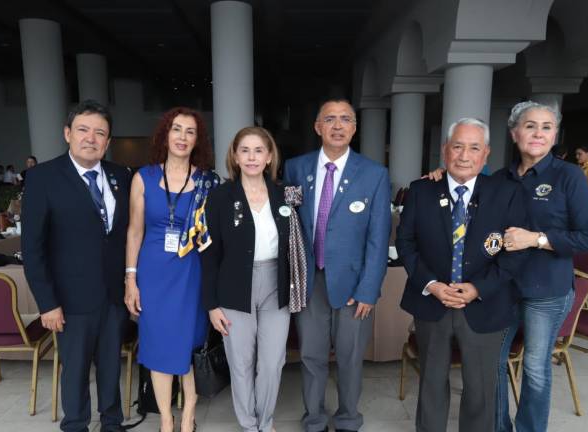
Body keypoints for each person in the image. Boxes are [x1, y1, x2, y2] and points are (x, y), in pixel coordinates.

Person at [396, 118, 528, 432]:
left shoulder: (507, 192)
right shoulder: (421, 190)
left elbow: (515, 252)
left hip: (485, 303)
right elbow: (405, 242)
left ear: (486, 155)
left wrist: (477, 288)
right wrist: (431, 284)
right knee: (431, 381)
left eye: (474, 148)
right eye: (457, 146)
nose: (464, 156)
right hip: (432, 303)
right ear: (445, 150)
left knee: (481, 388)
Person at [22, 100, 131, 432]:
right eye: (83, 130)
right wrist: (47, 303)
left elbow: (127, 235)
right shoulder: (43, 177)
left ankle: (112, 423)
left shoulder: (121, 176)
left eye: (100, 133)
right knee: (76, 370)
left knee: (112, 367)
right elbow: (33, 248)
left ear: (108, 141)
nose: (91, 138)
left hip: (113, 296)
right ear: (68, 133)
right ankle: (75, 425)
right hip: (69, 300)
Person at [283, 99, 391, 432]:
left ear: (355, 128)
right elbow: (289, 223)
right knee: (311, 357)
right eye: (329, 119)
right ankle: (314, 419)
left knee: (349, 358)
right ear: (318, 127)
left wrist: (369, 290)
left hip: (354, 284)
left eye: (346, 119)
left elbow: (378, 238)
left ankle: (347, 418)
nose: (338, 125)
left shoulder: (375, 174)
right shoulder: (295, 168)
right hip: (308, 280)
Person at [496, 101, 588, 432]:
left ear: (555, 135)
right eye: (529, 126)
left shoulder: (569, 176)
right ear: (515, 133)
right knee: (492, 362)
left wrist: (537, 239)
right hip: (502, 287)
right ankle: (498, 427)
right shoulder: (501, 179)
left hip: (547, 290)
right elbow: (487, 235)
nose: (537, 133)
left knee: (535, 367)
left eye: (546, 127)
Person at [124, 107, 219, 432]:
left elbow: (215, 236)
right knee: (157, 341)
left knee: (186, 341)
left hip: (191, 272)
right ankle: (167, 417)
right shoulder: (143, 177)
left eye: (190, 131)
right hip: (153, 273)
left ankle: (189, 405)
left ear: (198, 140)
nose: (182, 137)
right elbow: (135, 231)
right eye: (176, 129)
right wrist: (131, 278)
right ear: (165, 134)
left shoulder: (208, 181)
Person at [202, 127, 291, 432]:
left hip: (276, 284)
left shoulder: (285, 193)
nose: (252, 157)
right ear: (235, 156)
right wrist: (211, 305)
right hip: (233, 286)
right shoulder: (220, 196)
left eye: (258, 151)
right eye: (245, 150)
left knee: (272, 362)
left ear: (269, 157)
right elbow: (209, 254)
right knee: (240, 363)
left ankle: (265, 422)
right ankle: (249, 425)